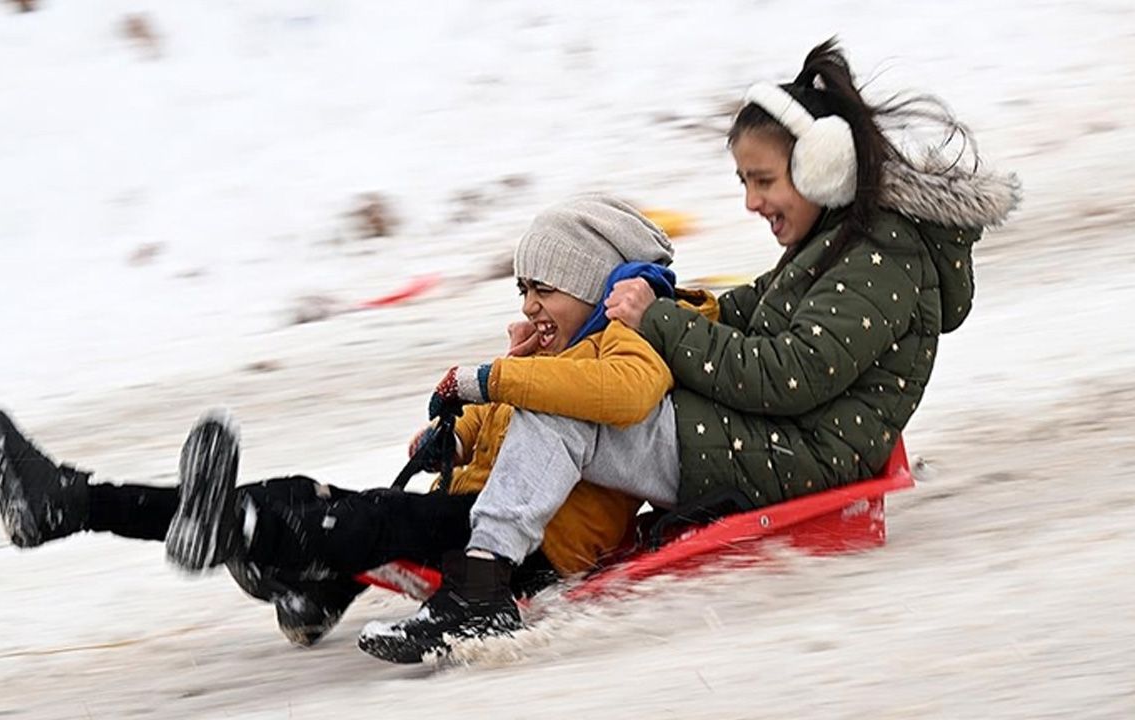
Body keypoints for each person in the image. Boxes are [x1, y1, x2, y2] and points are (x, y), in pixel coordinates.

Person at [359, 38, 1019, 664]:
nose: (751, 201)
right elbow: (753, 309)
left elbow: (790, 375)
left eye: (762, 180)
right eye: (743, 181)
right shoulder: (845, 244)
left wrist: (665, 324)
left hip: (804, 455)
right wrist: (669, 307)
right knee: (583, 391)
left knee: (565, 407)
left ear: (824, 168)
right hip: (781, 438)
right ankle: (492, 555)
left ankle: (481, 587)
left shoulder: (880, 258)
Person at [0, 194, 717, 648]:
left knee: (352, 519)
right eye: (522, 287)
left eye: (544, 288)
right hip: (478, 512)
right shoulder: (551, 355)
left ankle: (247, 538)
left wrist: (500, 377)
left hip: (533, 547)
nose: (526, 304)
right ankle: (75, 504)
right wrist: (458, 432)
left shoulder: (619, 348)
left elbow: (607, 405)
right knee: (313, 497)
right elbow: (511, 435)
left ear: (594, 285)